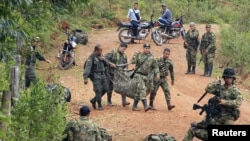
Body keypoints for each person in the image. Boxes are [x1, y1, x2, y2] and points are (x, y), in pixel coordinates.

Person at [182, 68, 243, 141]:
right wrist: (215, 82)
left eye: (230, 78)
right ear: (224, 78)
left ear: (233, 79)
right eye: (227, 77)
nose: (228, 79)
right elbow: (208, 89)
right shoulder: (220, 88)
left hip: (227, 117)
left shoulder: (235, 91)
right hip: (216, 116)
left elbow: (238, 103)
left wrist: (225, 102)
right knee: (195, 129)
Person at [83, 44, 115, 110]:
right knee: (98, 90)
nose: (101, 52)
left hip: (103, 75)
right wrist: (85, 78)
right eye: (100, 51)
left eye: (101, 51)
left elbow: (106, 65)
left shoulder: (102, 56)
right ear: (96, 50)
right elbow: (87, 68)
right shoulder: (91, 57)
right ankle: (99, 105)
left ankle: (94, 100)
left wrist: (104, 60)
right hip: (96, 76)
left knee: (106, 88)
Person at [130, 43, 160, 112]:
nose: (147, 49)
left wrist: (157, 74)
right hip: (138, 75)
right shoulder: (139, 55)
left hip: (145, 76)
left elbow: (156, 67)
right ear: (143, 48)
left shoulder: (152, 58)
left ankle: (134, 106)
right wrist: (135, 54)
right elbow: (132, 62)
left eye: (148, 48)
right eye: (145, 48)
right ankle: (145, 106)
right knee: (142, 89)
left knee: (138, 91)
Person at [104, 42, 130, 107]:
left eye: (125, 49)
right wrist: (110, 63)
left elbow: (126, 64)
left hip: (119, 74)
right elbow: (105, 58)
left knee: (123, 86)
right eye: (123, 49)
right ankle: (109, 101)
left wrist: (126, 69)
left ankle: (124, 101)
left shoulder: (124, 56)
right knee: (110, 87)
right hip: (110, 73)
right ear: (120, 47)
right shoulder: (113, 52)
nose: (124, 50)